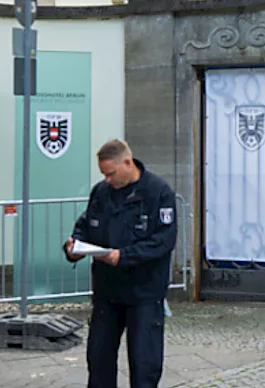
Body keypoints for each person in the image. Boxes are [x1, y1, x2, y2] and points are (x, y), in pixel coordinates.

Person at [63, 139, 178, 388]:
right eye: (103, 174)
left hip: (144, 293)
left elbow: (162, 241)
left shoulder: (157, 192)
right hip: (108, 293)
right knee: (99, 359)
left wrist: (123, 256)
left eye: (111, 173)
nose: (107, 179)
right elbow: (86, 225)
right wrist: (74, 248)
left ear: (127, 163)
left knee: (144, 364)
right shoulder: (102, 192)